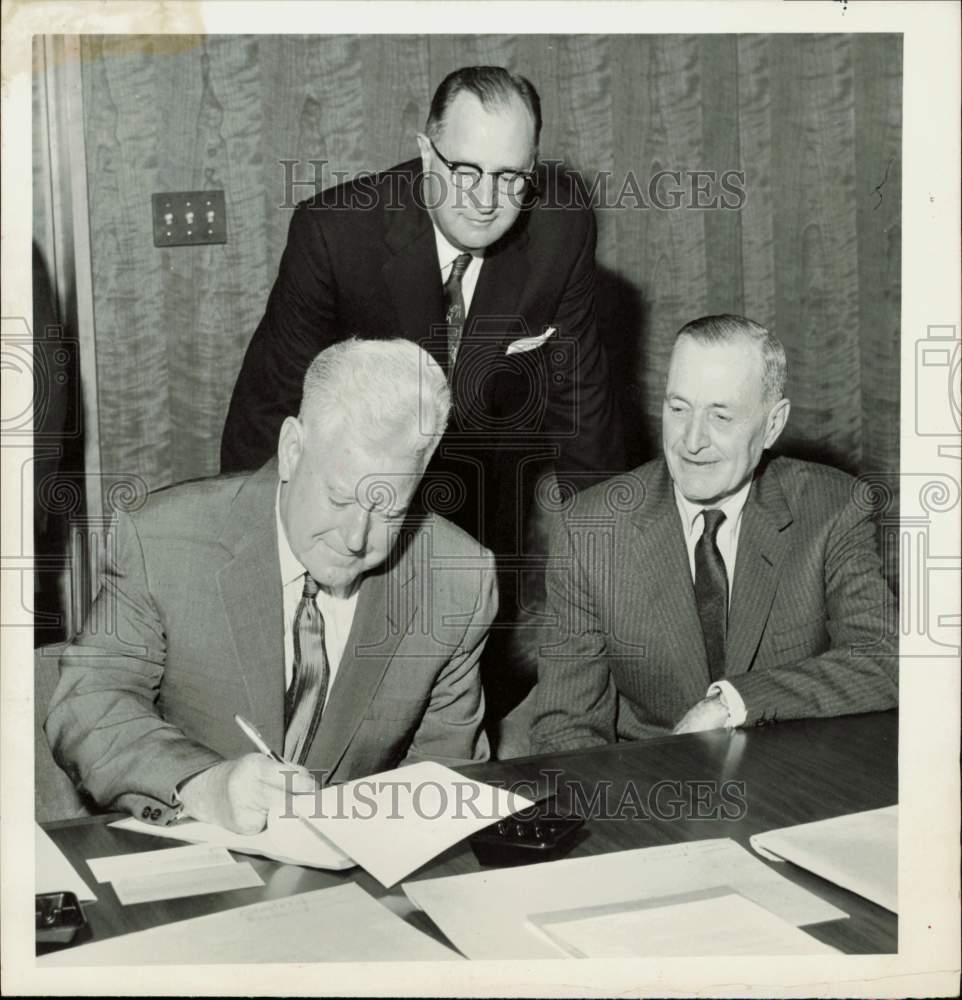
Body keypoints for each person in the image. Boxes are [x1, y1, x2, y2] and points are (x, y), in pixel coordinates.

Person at [220, 66, 625, 719]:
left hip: (477, 509)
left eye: (510, 177)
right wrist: (262, 574)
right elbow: (267, 415)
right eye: (464, 169)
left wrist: (615, 568)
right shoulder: (336, 233)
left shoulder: (561, 229)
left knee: (454, 716)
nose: (485, 200)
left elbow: (586, 414)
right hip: (352, 499)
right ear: (425, 149)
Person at [46, 339, 495, 834]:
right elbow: (89, 706)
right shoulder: (162, 542)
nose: (356, 538)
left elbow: (444, 776)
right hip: (191, 857)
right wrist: (204, 783)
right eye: (339, 497)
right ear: (291, 451)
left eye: (389, 509)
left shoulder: (457, 579)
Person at [531, 314, 898, 751]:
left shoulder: (832, 508)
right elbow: (565, 732)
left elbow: (889, 659)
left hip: (795, 783)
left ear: (773, 425)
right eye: (678, 408)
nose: (691, 441)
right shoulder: (590, 528)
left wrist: (731, 704)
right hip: (649, 792)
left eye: (720, 416)